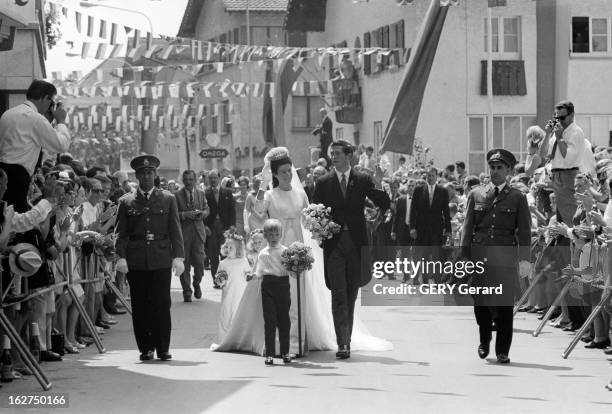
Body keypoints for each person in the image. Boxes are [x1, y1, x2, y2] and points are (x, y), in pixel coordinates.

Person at [212, 146, 392, 357]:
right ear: (276, 175)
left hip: (298, 249)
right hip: (275, 250)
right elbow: (259, 209)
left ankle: (299, 340)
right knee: (279, 295)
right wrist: (262, 183)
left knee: (298, 295)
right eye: (283, 172)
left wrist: (320, 229)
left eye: (290, 171)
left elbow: (311, 218)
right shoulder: (270, 194)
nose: (288, 175)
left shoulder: (301, 195)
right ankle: (279, 342)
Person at [313, 140, 391, 359]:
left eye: (337, 153)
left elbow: (384, 203)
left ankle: (345, 337)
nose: (334, 157)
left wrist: (378, 184)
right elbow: (313, 212)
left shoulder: (363, 179)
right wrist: (324, 229)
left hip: (356, 244)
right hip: (334, 245)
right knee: (338, 293)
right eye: (332, 154)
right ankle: (343, 343)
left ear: (349, 155)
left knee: (350, 293)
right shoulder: (324, 182)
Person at [461, 149, 531, 364]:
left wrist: (524, 262)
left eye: (500, 168)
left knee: (503, 305)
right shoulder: (477, 194)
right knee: (480, 303)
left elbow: (525, 232)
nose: (495, 171)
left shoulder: (517, 198)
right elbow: (467, 226)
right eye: (492, 167)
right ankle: (484, 338)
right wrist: (464, 255)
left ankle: (502, 350)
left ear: (509, 170)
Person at [115, 155, 185, 361]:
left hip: (161, 257)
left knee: (162, 304)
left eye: (150, 173)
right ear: (136, 176)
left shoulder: (168, 199)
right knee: (140, 305)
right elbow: (121, 233)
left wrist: (178, 256)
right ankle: (145, 347)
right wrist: (120, 256)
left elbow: (175, 229)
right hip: (136, 259)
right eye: (142, 173)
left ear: (155, 175)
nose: (146, 176)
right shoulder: (126, 201)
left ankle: (163, 347)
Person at [0, 80, 72, 212]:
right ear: (45, 98)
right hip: (18, 176)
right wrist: (61, 122)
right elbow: (61, 145)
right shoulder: (35, 118)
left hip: (3, 173)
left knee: (5, 216)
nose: (51, 106)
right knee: (15, 220)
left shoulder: (7, 114)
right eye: (52, 102)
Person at [540, 100, 585, 225]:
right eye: (556, 117)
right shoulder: (557, 131)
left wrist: (559, 137)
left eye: (562, 117)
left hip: (569, 175)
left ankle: (576, 242)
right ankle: (566, 241)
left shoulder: (575, 132)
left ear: (572, 115)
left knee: (571, 217)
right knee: (562, 219)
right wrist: (548, 134)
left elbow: (568, 157)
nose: (559, 120)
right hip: (558, 176)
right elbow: (543, 154)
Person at [256, 219, 292, 366]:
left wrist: (297, 268)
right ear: (265, 235)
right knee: (269, 320)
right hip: (268, 284)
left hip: (283, 284)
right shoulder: (263, 253)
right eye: (270, 234)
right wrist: (253, 276)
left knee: (284, 320)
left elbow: (290, 269)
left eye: (276, 233)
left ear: (281, 235)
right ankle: (270, 353)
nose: (274, 236)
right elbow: (259, 270)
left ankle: (285, 352)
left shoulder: (285, 251)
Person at [409, 167, 451, 283]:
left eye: (433, 176)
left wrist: (448, 230)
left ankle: (438, 281)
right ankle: (425, 280)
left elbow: (446, 211)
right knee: (424, 255)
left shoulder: (442, 191)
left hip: (436, 229)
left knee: (436, 255)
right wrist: (412, 227)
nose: (431, 178)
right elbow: (413, 210)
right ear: (426, 177)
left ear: (436, 177)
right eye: (429, 176)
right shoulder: (419, 190)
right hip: (421, 228)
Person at [175, 170, 209, 302]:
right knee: (185, 264)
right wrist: (185, 215)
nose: (188, 182)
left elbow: (207, 208)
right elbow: (173, 215)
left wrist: (203, 213)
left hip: (198, 233)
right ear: (183, 181)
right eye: (186, 180)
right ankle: (187, 291)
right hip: (183, 234)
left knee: (200, 263)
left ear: (195, 180)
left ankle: (197, 283)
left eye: (191, 179)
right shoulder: (176, 195)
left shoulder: (201, 193)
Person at [215, 231, 250, 344]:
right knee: (226, 315)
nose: (228, 249)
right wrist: (220, 281)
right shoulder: (223, 263)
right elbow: (218, 278)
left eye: (231, 247)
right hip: (228, 294)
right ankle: (224, 340)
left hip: (240, 293)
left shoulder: (243, 261)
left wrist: (249, 275)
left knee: (239, 316)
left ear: (238, 249)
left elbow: (247, 273)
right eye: (227, 247)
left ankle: (239, 340)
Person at [204, 169, 236, 287]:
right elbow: (203, 210)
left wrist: (232, 225)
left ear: (218, 178)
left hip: (224, 227)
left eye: (215, 178)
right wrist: (205, 226)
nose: (213, 180)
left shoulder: (227, 192)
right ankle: (217, 281)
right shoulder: (205, 193)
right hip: (211, 228)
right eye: (210, 178)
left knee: (224, 254)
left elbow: (232, 210)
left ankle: (223, 280)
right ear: (208, 179)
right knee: (213, 256)